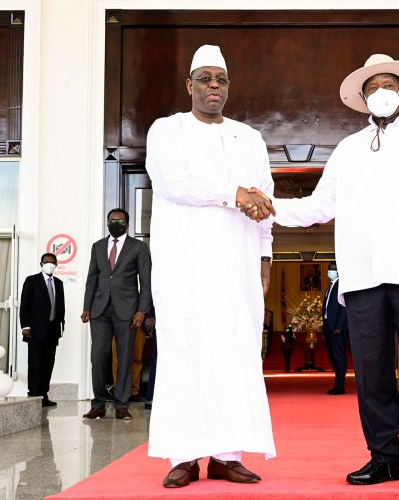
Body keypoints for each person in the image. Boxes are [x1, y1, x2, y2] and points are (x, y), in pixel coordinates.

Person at [247, 54, 399, 491]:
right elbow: (319, 205)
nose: (381, 92)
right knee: (371, 374)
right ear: (363, 97)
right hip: (363, 278)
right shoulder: (348, 149)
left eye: (389, 84)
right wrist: (270, 207)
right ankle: (385, 458)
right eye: (373, 87)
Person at [145, 44, 277, 489]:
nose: (213, 86)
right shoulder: (167, 130)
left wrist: (265, 255)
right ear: (190, 86)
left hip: (237, 267)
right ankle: (183, 457)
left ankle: (227, 456)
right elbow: (173, 182)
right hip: (184, 268)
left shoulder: (250, 138)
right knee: (184, 353)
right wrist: (233, 193)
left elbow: (264, 200)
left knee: (234, 354)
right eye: (204, 78)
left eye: (220, 79)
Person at [81, 208, 152, 421]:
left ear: (127, 225)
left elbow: (146, 282)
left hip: (128, 311)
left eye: (119, 221)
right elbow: (92, 279)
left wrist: (142, 310)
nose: (115, 223)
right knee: (98, 357)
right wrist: (87, 307)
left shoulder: (138, 247)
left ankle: (122, 404)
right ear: (107, 223)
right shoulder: (98, 246)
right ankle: (98, 404)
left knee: (125, 358)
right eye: (112, 220)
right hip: (100, 310)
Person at [19, 252, 65, 407]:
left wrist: (61, 326)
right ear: (41, 264)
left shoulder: (59, 283)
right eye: (46, 262)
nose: (49, 264)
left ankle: (44, 395)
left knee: (48, 363)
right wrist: (25, 326)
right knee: (35, 363)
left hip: (52, 331)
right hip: (35, 331)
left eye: (52, 262)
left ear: (56, 265)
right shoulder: (32, 281)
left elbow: (60, 307)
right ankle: (34, 395)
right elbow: (24, 305)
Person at [322, 262, 349, 395]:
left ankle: (340, 386)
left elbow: (344, 307)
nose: (330, 271)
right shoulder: (330, 286)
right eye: (329, 269)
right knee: (332, 356)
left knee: (338, 356)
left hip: (337, 329)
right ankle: (337, 383)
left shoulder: (341, 285)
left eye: (333, 269)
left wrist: (339, 327)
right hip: (329, 328)